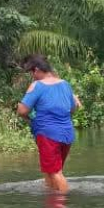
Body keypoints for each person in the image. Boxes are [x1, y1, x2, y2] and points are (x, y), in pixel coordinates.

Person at [17, 55, 79, 193]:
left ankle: (63, 203)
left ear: (37, 70)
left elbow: (22, 110)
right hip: (67, 134)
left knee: (55, 172)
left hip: (48, 134)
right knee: (52, 171)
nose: (32, 76)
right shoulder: (65, 84)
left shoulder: (37, 86)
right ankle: (52, 200)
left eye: (32, 73)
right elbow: (73, 108)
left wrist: (30, 118)